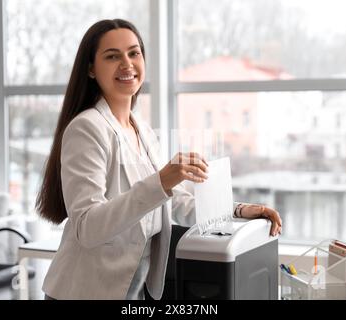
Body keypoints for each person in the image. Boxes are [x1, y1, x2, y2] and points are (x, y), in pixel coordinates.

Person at [35, 18, 282, 300]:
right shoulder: (87, 128)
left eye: (134, 52)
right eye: (112, 56)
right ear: (91, 69)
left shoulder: (140, 127)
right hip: (83, 292)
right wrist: (162, 181)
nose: (127, 63)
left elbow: (175, 203)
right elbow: (88, 227)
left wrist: (240, 210)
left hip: (132, 289)